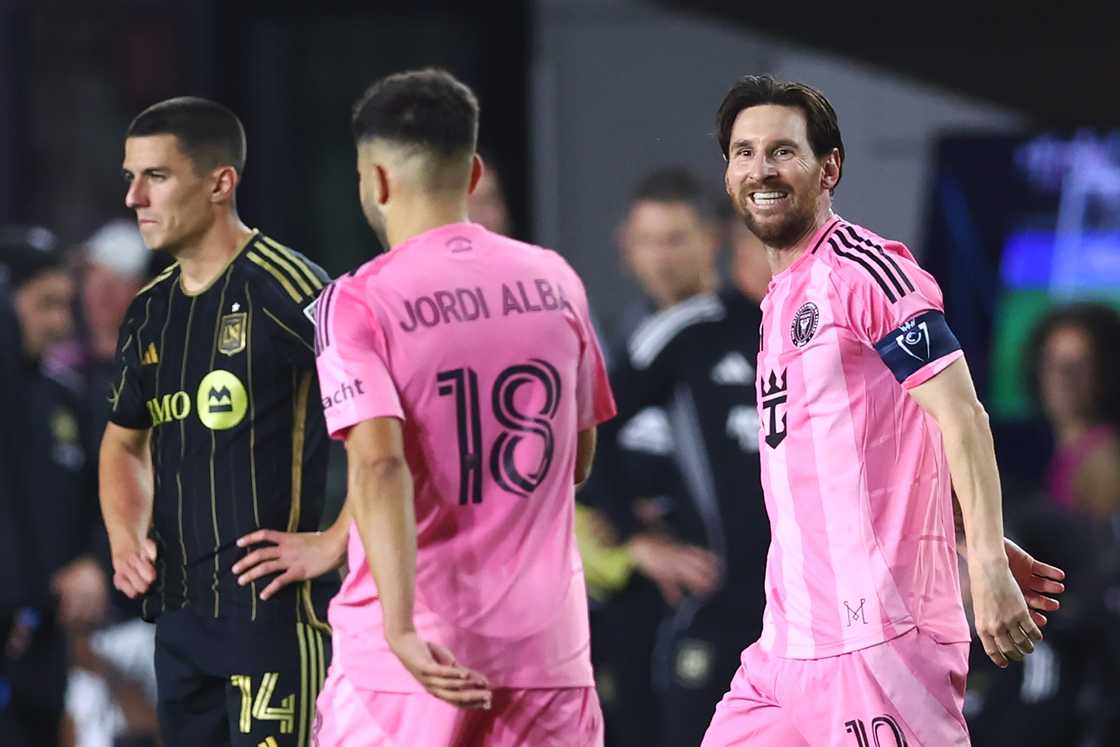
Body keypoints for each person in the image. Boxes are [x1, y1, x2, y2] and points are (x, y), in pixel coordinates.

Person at [700, 74, 1066, 746]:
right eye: (744, 152)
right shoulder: (781, 297)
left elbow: (962, 414)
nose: (761, 169)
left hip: (876, 637)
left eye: (782, 151)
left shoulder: (864, 270)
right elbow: (878, 446)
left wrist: (985, 562)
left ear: (828, 168)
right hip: (786, 644)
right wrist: (958, 527)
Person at [303, 68, 614, 746]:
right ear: (473, 174)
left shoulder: (355, 302)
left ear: (376, 180)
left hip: (411, 665)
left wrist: (400, 627)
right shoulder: (556, 279)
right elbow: (578, 459)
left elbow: (379, 465)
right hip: (548, 658)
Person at [98, 96, 336, 747]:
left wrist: (337, 540)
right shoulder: (148, 312)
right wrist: (125, 535)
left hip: (273, 621)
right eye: (131, 177)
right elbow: (123, 441)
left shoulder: (291, 288)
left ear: (220, 183)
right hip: (179, 624)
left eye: (156, 176)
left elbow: (392, 416)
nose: (134, 197)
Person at [1025, 302, 1120, 519]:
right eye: (1052, 363)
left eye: (1076, 367)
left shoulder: (1103, 461)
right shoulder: (1068, 448)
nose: (1062, 380)